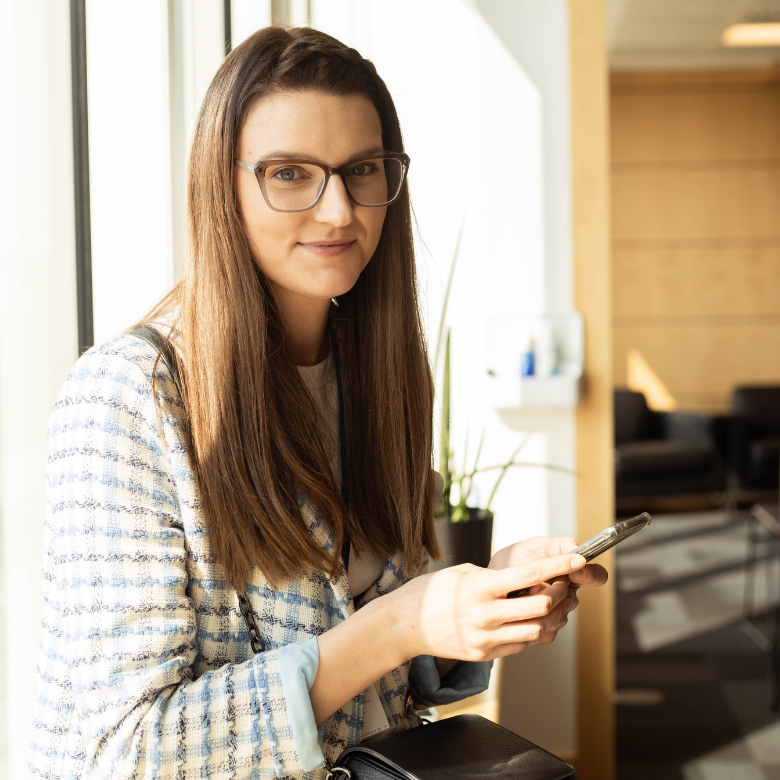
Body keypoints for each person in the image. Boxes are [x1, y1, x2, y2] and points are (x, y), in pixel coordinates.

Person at [28, 26, 607, 780]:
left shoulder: (380, 379)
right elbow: (133, 749)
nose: (339, 211)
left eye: (361, 170)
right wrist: (399, 625)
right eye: (291, 173)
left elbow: (370, 677)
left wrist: (473, 604)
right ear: (222, 185)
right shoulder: (126, 399)